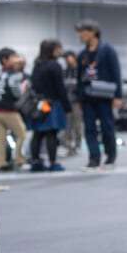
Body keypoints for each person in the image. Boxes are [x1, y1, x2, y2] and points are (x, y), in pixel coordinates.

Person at [75, 20, 122, 170]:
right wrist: (79, 98)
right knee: (89, 129)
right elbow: (79, 78)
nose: (80, 35)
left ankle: (110, 158)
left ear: (93, 32)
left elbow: (116, 73)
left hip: (105, 96)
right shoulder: (82, 54)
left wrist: (118, 96)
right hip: (87, 97)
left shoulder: (107, 50)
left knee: (107, 127)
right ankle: (94, 159)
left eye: (83, 32)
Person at [28, 39, 72, 172]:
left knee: (37, 134)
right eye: (58, 48)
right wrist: (67, 106)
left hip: (39, 104)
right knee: (52, 133)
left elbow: (33, 85)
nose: (60, 51)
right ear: (52, 50)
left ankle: (35, 162)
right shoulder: (55, 65)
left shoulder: (37, 64)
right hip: (53, 104)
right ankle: (53, 163)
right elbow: (60, 88)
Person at [0, 47, 27, 171]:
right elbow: (16, 92)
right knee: (22, 134)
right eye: (14, 57)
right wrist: (21, 96)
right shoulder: (14, 74)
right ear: (5, 60)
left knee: (1, 137)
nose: (16, 59)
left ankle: (0, 163)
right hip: (8, 111)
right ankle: (19, 160)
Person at [61, 51, 82, 156]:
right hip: (67, 102)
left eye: (69, 58)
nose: (67, 61)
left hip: (77, 102)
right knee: (67, 125)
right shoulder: (65, 72)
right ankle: (69, 146)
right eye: (66, 59)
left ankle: (77, 145)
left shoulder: (79, 71)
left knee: (77, 125)